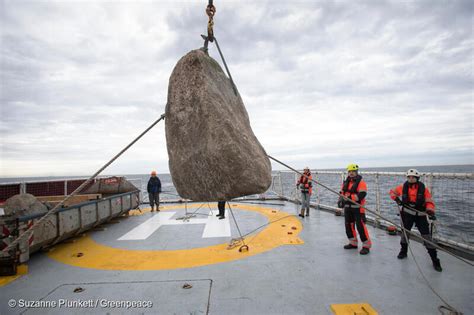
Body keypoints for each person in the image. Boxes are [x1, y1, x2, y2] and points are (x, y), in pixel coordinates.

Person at [389, 169, 442, 272]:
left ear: (417, 178)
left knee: (426, 237)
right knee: (404, 234)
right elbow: (392, 192)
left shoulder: (424, 189)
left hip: (420, 216)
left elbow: (429, 202)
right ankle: (403, 251)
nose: (411, 179)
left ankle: (435, 260)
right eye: (409, 177)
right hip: (407, 215)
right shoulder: (402, 187)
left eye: (413, 177)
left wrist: (430, 211)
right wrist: (396, 199)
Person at [341, 164, 371, 255]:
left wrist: (350, 197)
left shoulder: (361, 182)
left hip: (358, 208)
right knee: (348, 226)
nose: (351, 173)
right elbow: (342, 193)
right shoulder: (346, 182)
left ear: (356, 172)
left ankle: (366, 246)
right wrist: (341, 200)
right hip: (348, 208)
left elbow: (362, 195)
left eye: (353, 172)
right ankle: (353, 243)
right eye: (349, 172)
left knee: (360, 227)